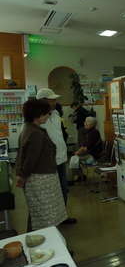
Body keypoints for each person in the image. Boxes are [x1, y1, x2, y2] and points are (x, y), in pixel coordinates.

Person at [15, 99, 67, 231]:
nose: (48, 116)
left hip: (41, 177)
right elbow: (30, 159)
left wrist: (22, 175)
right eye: (46, 113)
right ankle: (49, 246)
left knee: (38, 214)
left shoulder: (29, 129)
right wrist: (23, 176)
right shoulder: (35, 133)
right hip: (41, 179)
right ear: (37, 115)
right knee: (46, 216)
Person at [36, 88, 77, 225]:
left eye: (54, 99)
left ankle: (62, 216)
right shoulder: (37, 118)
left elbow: (59, 134)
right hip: (48, 162)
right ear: (43, 101)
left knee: (63, 189)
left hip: (61, 158)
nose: (54, 101)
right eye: (51, 99)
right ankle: (53, 220)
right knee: (52, 192)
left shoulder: (55, 113)